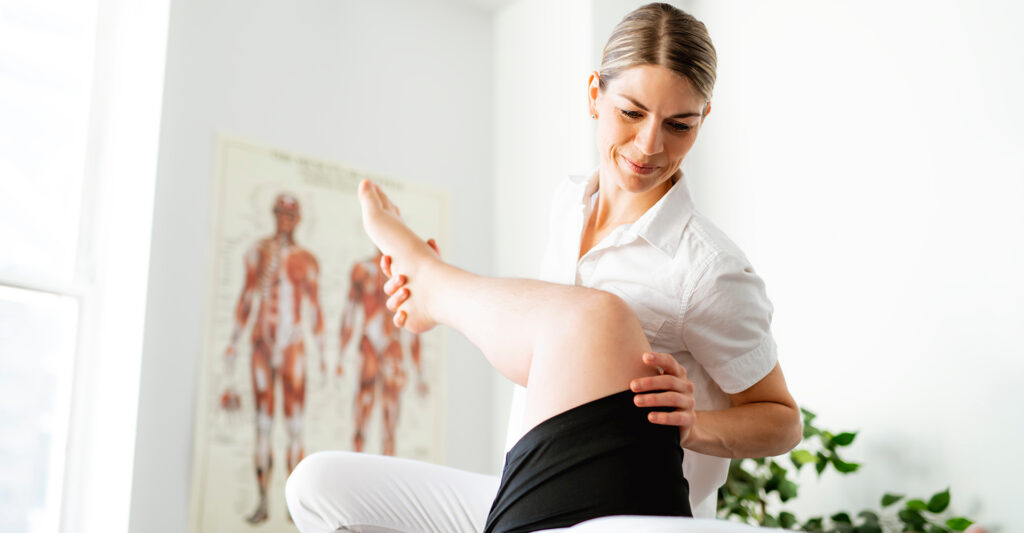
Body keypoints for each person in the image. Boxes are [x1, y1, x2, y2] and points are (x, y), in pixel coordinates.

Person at [286, 3, 801, 531]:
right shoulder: (568, 202)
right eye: (632, 112)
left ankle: (435, 286)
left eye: (679, 124)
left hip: (626, 505)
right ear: (593, 94)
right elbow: (551, 361)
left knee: (595, 318)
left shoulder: (706, 269)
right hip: (529, 482)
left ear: (703, 119)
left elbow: (782, 422)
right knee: (316, 485)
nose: (651, 145)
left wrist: (696, 426)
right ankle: (436, 288)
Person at [221, 193, 326, 524]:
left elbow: (314, 308)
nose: (284, 220)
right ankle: (264, 499)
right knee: (263, 426)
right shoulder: (258, 252)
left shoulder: (307, 260)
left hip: (292, 346)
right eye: (280, 213)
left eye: (289, 215)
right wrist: (234, 343)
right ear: (274, 215)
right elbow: (247, 297)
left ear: (297, 220)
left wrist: (323, 352)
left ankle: (296, 510)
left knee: (295, 428)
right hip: (262, 345)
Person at [339, 250, 429, 455]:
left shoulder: (406, 273)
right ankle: (356, 475)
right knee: (361, 419)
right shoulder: (362, 270)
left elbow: (415, 328)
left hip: (392, 350)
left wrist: (419, 373)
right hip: (369, 346)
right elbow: (349, 314)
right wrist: (341, 357)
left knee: (390, 423)